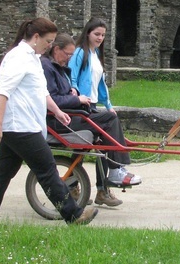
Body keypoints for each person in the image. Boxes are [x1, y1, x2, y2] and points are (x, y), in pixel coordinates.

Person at [0, 18, 98, 225]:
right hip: (18, 125)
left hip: (22, 124)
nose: (50, 46)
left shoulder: (33, 58)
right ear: (36, 37)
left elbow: (42, 92)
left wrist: (57, 111)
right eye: (48, 41)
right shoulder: (18, 57)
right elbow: (2, 92)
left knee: (3, 171)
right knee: (47, 169)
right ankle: (73, 215)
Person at [42, 33, 136, 207]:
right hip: (60, 120)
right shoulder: (48, 67)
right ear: (56, 50)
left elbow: (63, 92)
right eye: (68, 55)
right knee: (109, 119)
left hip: (69, 114)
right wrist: (77, 99)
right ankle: (116, 170)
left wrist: (73, 93)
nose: (69, 59)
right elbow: (51, 99)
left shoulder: (58, 67)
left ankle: (108, 179)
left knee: (107, 123)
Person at [68, 18, 142, 193]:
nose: (100, 38)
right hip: (81, 106)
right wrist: (75, 92)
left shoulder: (96, 55)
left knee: (100, 141)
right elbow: (71, 75)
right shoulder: (80, 53)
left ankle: (102, 189)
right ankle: (116, 169)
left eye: (103, 35)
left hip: (91, 105)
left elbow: (100, 84)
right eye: (97, 34)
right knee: (109, 123)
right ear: (88, 33)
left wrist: (108, 105)